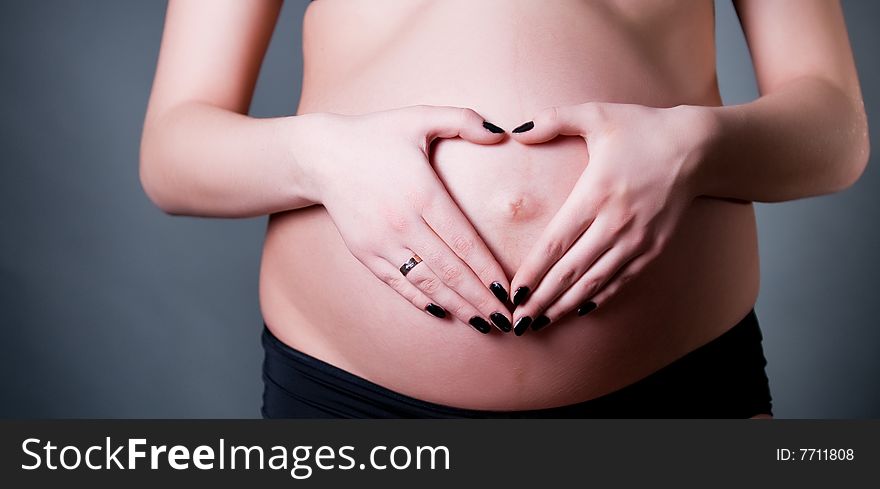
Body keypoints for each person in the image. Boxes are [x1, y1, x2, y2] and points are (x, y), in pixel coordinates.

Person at [139, 0, 869, 418]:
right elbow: (173, 151)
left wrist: (694, 144)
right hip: (353, 404)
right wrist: (324, 159)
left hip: (681, 390)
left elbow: (836, 132)